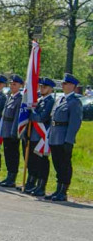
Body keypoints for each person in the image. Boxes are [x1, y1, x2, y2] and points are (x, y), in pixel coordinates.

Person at [45, 73, 84, 202]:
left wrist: (69, 140)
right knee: (57, 163)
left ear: (73, 86)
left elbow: (74, 123)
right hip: (55, 135)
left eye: (66, 83)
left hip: (64, 137)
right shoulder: (59, 99)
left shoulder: (75, 102)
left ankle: (63, 190)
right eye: (63, 83)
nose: (63, 85)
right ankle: (58, 188)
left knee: (64, 165)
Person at [24, 78, 55, 197]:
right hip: (33, 135)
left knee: (42, 162)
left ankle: (41, 185)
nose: (42, 88)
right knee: (32, 161)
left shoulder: (50, 101)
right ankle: (31, 182)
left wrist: (31, 112)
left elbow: (42, 117)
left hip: (42, 136)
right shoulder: (39, 100)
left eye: (45, 87)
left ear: (50, 89)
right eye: (41, 86)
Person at [0, 74, 24, 187]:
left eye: (15, 84)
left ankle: (12, 177)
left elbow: (17, 117)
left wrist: (14, 132)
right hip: (6, 128)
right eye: (11, 84)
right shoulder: (10, 96)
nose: (12, 86)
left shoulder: (20, 99)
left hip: (12, 130)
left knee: (13, 154)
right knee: (7, 153)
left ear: (20, 85)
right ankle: (9, 175)